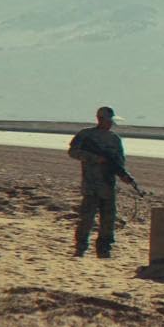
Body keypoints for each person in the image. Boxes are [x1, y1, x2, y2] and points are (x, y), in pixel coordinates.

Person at [66, 106, 125, 258]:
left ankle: (104, 249)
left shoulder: (114, 139)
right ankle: (81, 247)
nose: (110, 123)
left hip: (108, 185)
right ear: (100, 119)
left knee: (108, 220)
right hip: (91, 185)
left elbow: (120, 161)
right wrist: (94, 158)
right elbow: (73, 152)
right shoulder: (86, 135)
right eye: (108, 120)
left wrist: (122, 173)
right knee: (87, 218)